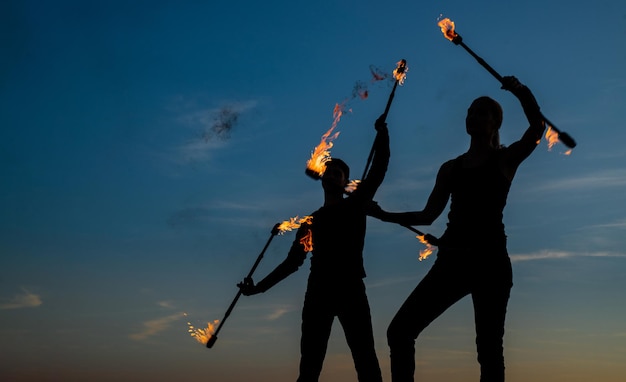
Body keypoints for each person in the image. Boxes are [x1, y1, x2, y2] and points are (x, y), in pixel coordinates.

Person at [368, 76, 546, 382]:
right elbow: (427, 215)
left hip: (490, 263)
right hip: (452, 262)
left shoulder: (505, 160)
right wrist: (383, 215)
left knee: (489, 351)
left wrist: (520, 91)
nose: (473, 116)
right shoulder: (450, 168)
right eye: (470, 112)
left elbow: (537, 128)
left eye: (481, 112)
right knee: (400, 332)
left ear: (495, 124)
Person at [238, 114, 390, 382]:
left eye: (338, 173)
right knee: (310, 362)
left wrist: (382, 136)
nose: (331, 175)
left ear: (345, 183)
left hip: (351, 288)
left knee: (365, 357)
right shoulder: (310, 223)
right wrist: (258, 288)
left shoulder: (354, 207)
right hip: (318, 290)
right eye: (329, 172)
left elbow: (378, 172)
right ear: (322, 179)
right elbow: (291, 263)